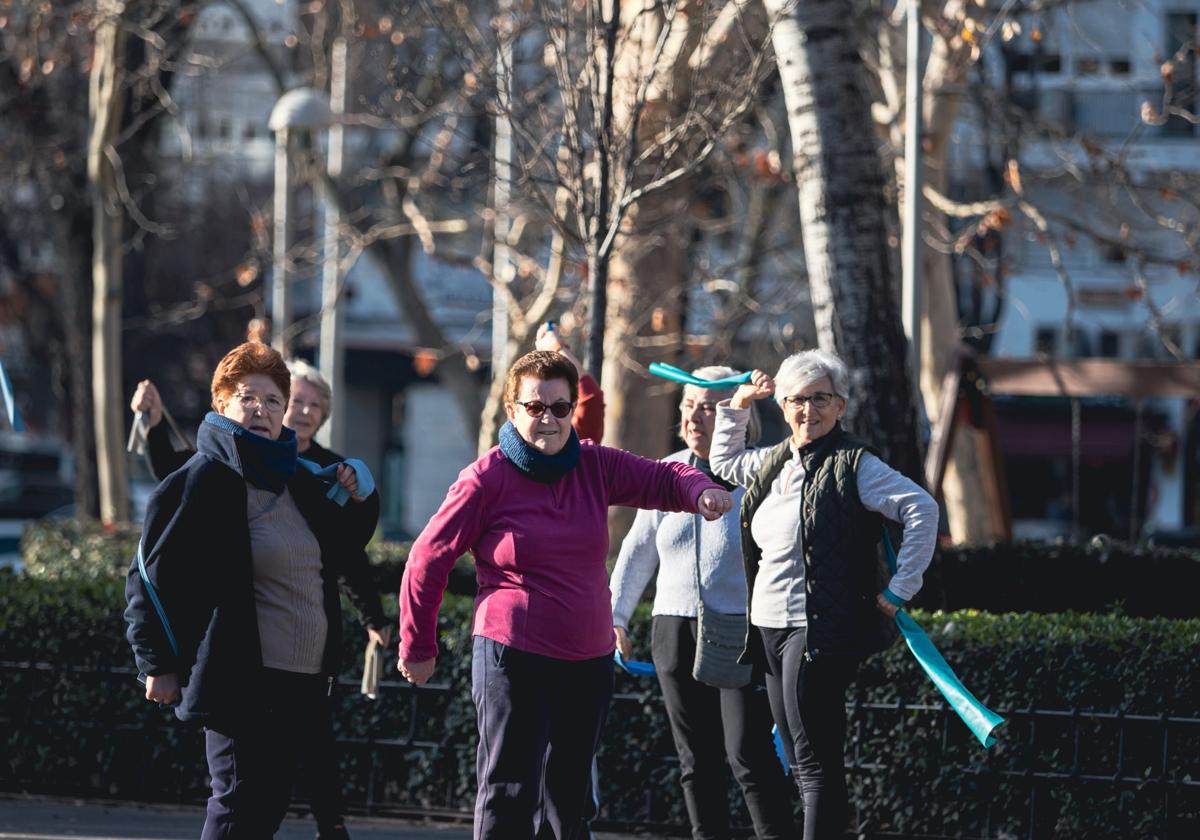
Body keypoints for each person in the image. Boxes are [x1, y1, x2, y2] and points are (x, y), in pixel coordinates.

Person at [396, 350, 735, 840]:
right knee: (510, 789)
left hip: (587, 659)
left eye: (559, 407)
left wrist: (700, 490)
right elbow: (428, 558)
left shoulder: (594, 465)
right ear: (512, 410)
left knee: (571, 796)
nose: (549, 419)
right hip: (512, 655)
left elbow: (665, 476)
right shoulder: (485, 479)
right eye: (535, 407)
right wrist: (417, 645)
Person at [124, 342, 381, 840]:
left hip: (303, 680)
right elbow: (148, 574)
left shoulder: (296, 477)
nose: (261, 409)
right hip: (241, 679)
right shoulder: (206, 476)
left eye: (272, 400)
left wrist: (360, 495)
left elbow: (343, 549)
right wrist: (155, 662)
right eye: (248, 397)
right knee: (238, 805)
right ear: (222, 405)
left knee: (267, 807)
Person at [709, 349, 937, 840]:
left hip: (816, 630)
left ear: (840, 406)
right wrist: (740, 402)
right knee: (797, 751)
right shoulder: (776, 460)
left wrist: (901, 588)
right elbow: (725, 463)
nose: (807, 410)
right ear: (784, 406)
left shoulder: (855, 464)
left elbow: (921, 509)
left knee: (813, 762)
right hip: (768, 624)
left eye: (820, 399)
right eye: (796, 400)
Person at [609, 367, 795, 840]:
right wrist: (616, 619)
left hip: (738, 629)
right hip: (673, 627)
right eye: (689, 405)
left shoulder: (757, 472)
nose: (695, 415)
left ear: (736, 417)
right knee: (696, 760)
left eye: (709, 407)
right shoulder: (665, 472)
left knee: (747, 755)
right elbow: (635, 553)